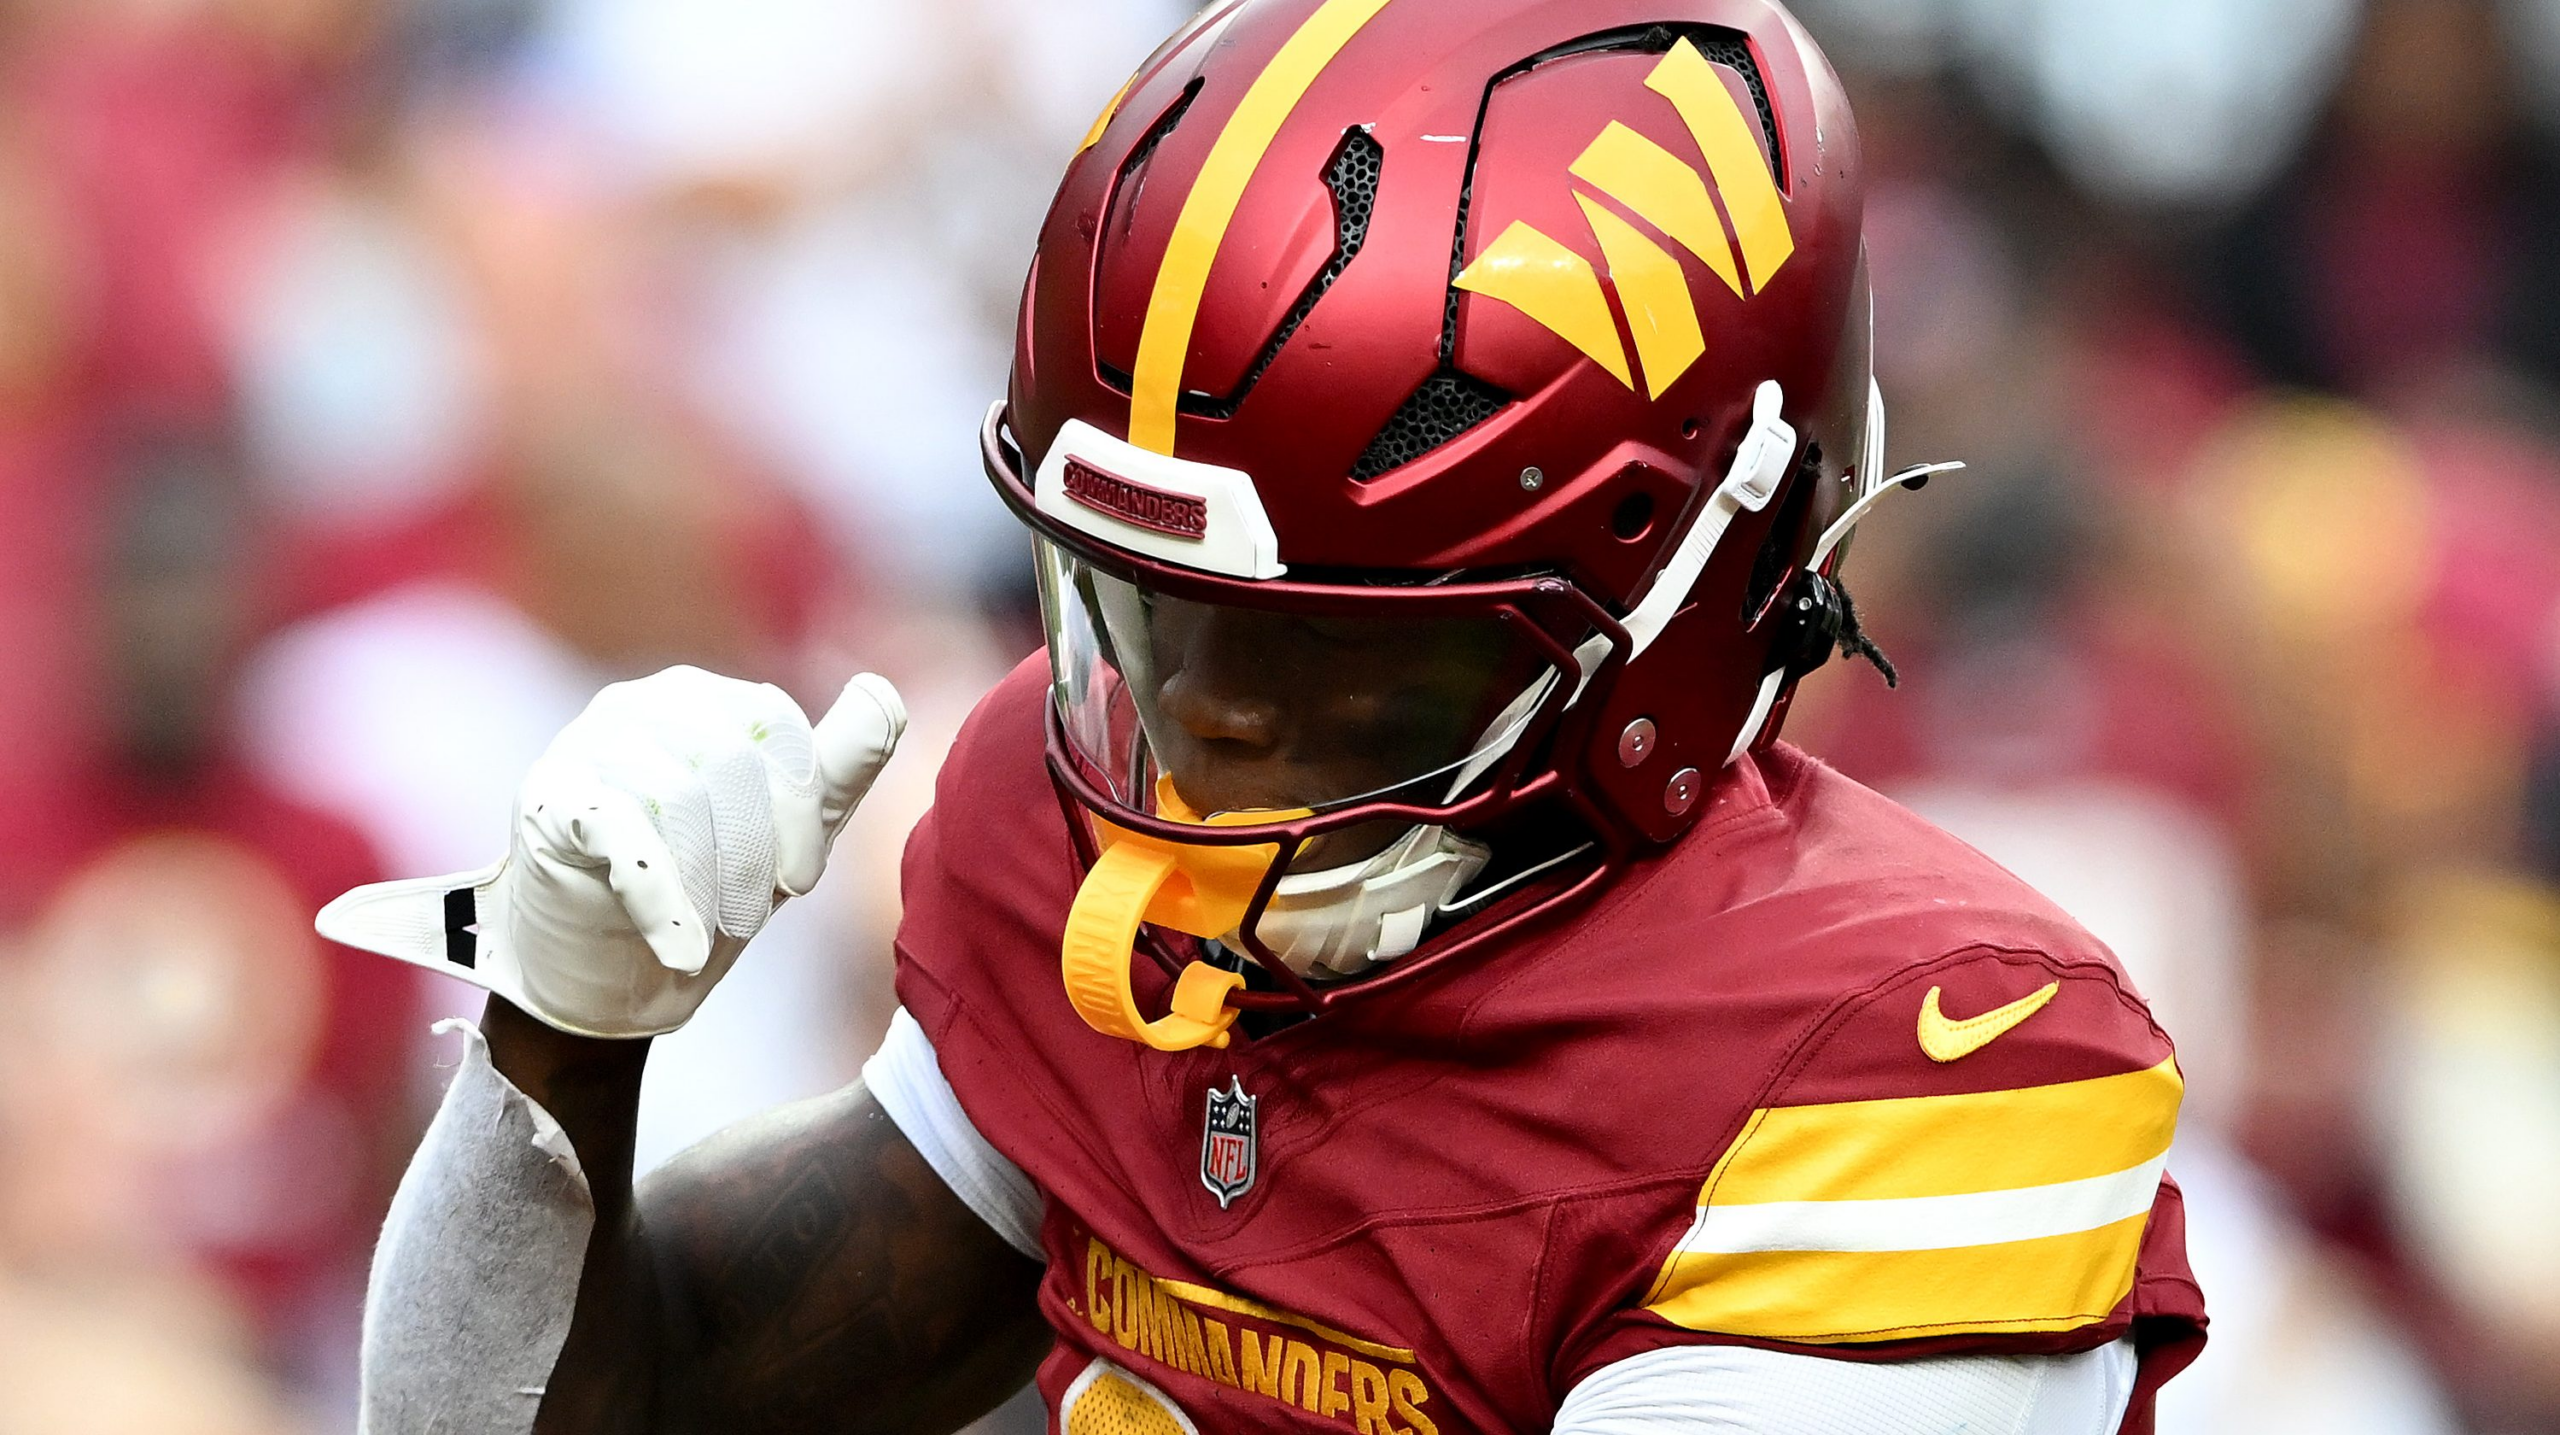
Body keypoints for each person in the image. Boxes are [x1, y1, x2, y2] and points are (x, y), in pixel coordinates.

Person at [326, 1, 2207, 1431]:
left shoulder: (1915, 1060)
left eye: (1334, 657)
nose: (1200, 730)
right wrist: (561, 1037)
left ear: (1699, 584)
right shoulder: (1089, 855)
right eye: (1150, 616)